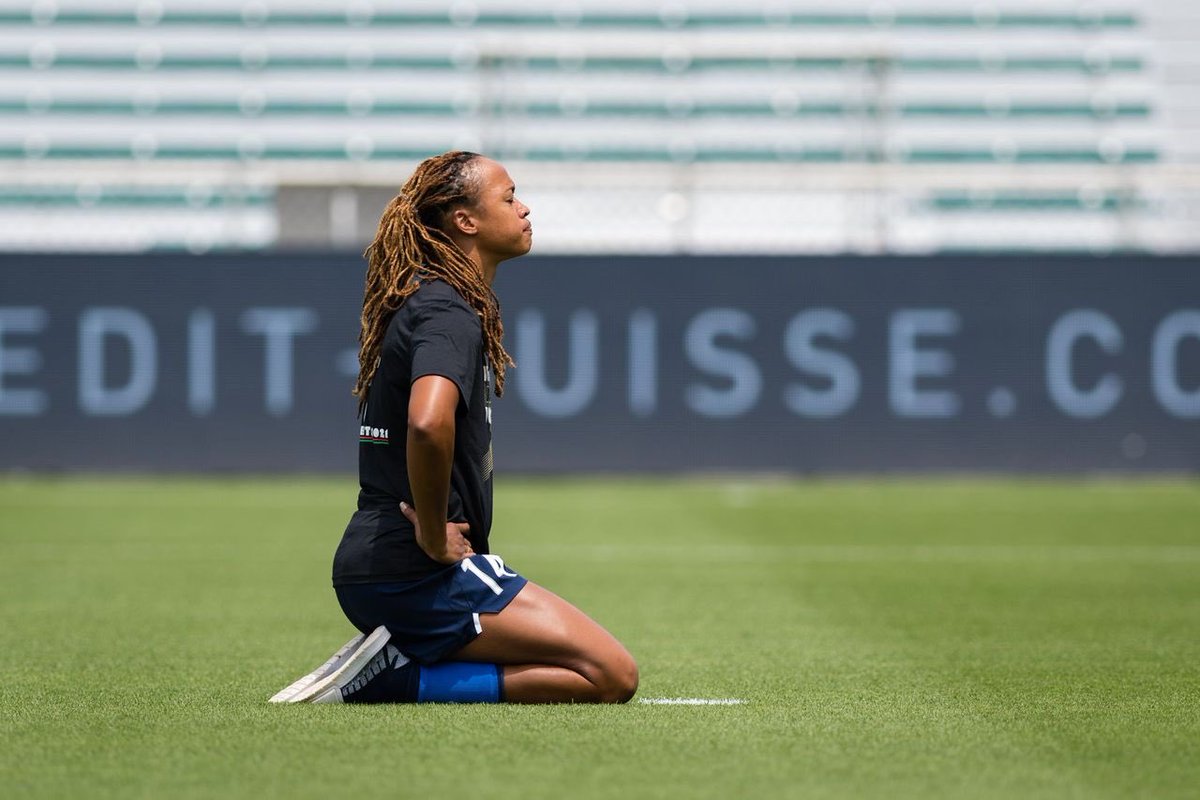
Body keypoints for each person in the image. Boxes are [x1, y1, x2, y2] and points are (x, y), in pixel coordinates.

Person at [270, 151, 638, 705]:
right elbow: (427, 421)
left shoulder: (436, 300)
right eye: (510, 198)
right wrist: (433, 532)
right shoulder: (446, 309)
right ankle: (397, 677)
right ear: (465, 220)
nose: (525, 208)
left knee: (594, 671)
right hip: (414, 572)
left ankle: (402, 660)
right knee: (610, 675)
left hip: (381, 570)